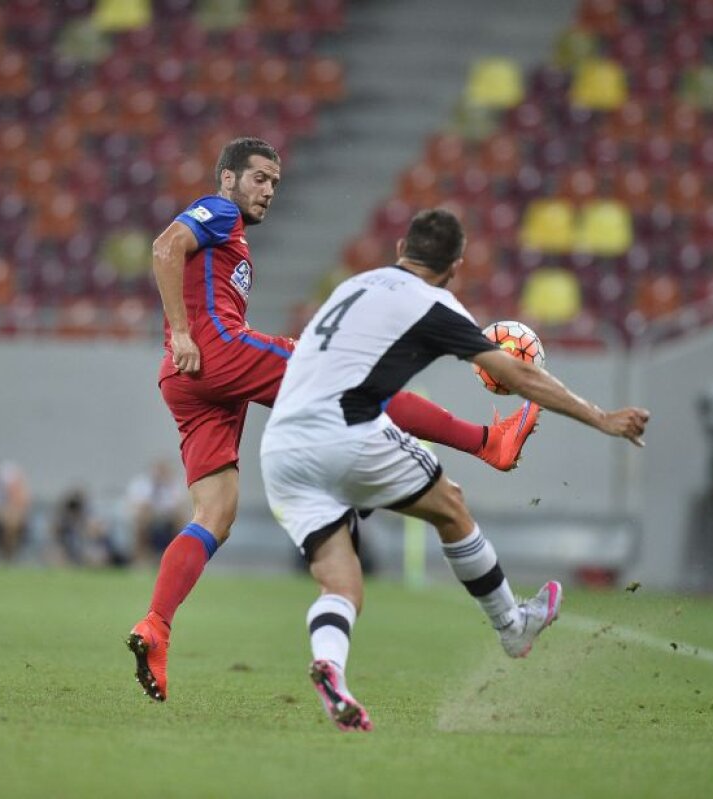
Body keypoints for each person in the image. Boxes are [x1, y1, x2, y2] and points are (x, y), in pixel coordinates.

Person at [126, 137, 542, 702]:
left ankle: (156, 624)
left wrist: (182, 340)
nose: (268, 190)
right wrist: (180, 331)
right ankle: (488, 442)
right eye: (258, 178)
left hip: (187, 383)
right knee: (354, 378)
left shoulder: (233, 236)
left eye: (274, 181)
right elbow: (164, 246)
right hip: (213, 351)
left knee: (215, 514)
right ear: (227, 178)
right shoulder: (219, 210)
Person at [260, 208, 650, 731]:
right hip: (345, 432)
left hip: (280, 448)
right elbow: (519, 374)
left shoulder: (355, 284)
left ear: (402, 245)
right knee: (451, 504)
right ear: (456, 267)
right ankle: (514, 625)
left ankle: (332, 668)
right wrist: (601, 417)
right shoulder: (435, 305)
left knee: (341, 584)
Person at [125, 459, 187, 564]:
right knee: (141, 519)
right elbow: (136, 505)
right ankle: (141, 559)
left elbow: (178, 506)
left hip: (168, 519)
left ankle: (177, 558)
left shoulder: (174, 486)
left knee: (179, 519)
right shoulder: (141, 484)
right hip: (148, 519)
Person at [50, 488, 129, 568]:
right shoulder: (65, 524)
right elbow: (55, 535)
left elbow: (99, 535)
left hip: (92, 551)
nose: (74, 512)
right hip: (75, 553)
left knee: (96, 556)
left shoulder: (89, 519)